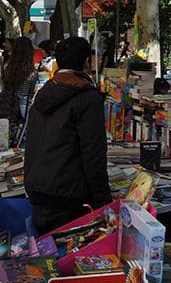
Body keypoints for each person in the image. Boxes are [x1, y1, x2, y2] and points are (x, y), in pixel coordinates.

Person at [24, 37, 113, 234]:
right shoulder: (87, 97)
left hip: (40, 190)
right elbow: (93, 152)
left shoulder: (47, 90)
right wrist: (104, 204)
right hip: (69, 197)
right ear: (86, 62)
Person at [0, 36, 38, 124]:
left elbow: (3, 85)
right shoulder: (31, 72)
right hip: (23, 108)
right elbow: (31, 91)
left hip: (7, 105)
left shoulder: (7, 67)